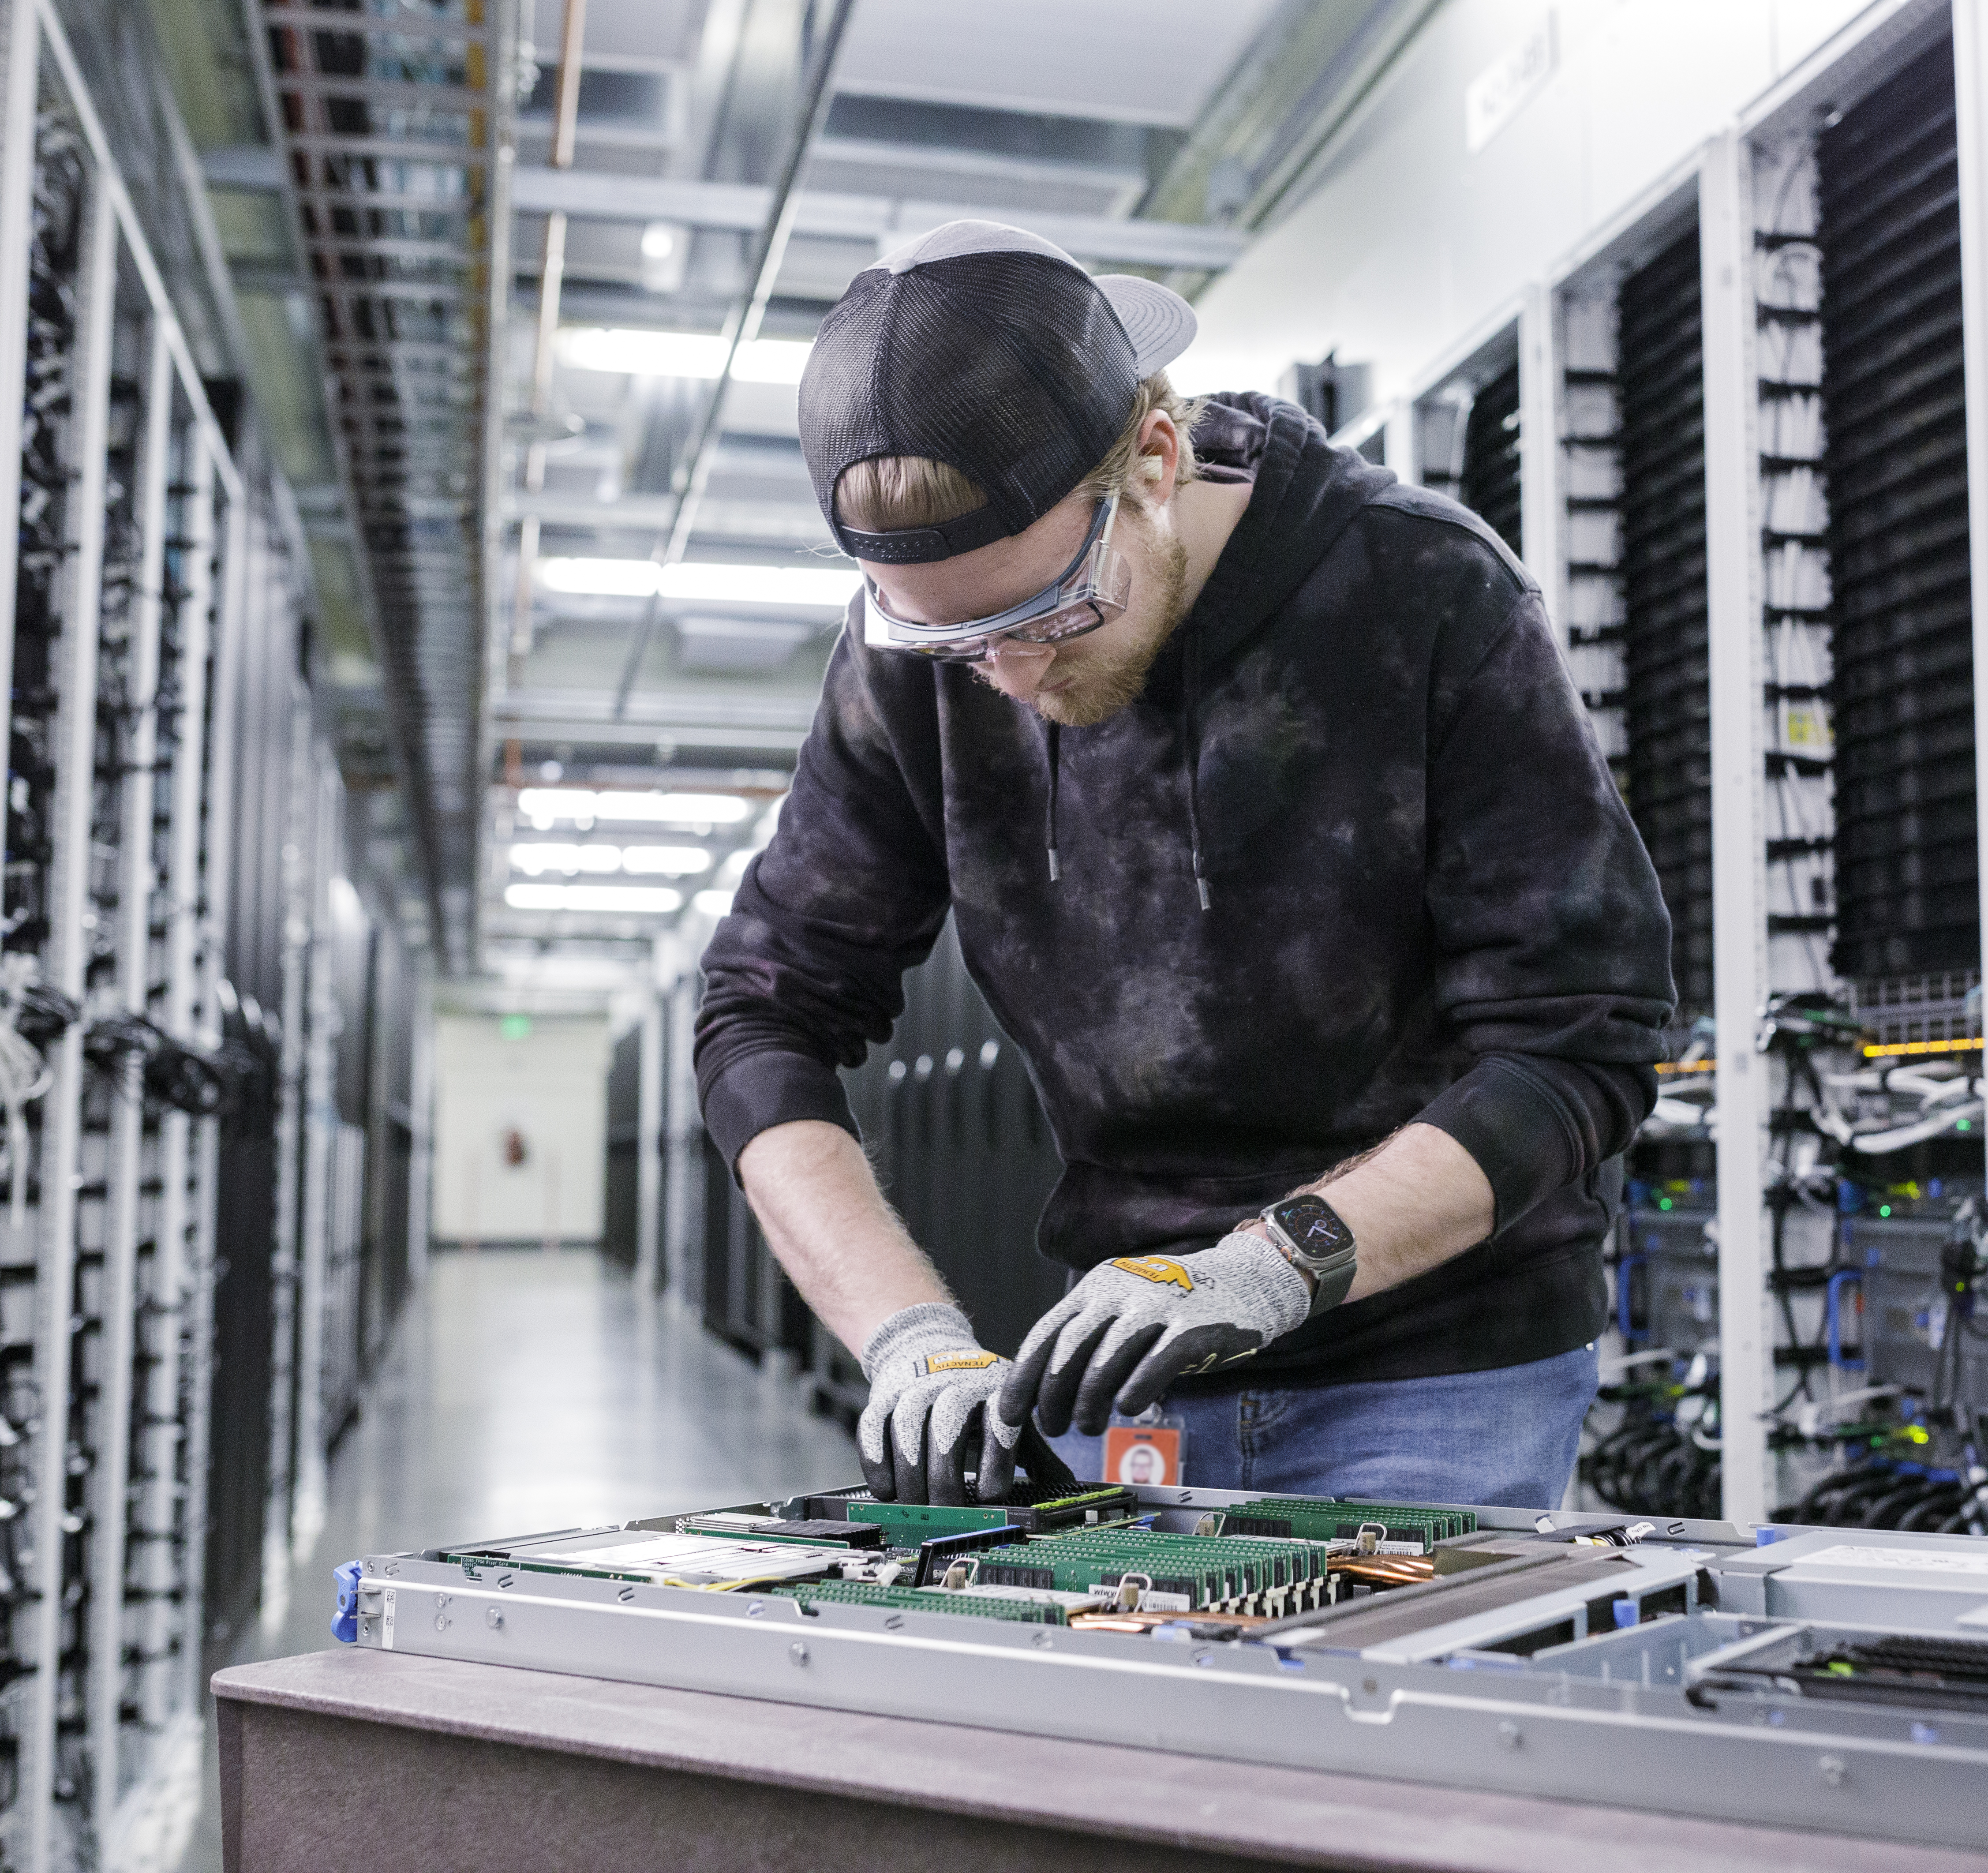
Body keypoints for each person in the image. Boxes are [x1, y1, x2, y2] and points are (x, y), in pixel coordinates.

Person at [693, 220, 1672, 1510]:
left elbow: (1580, 1047)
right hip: (1118, 1376)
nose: (1014, 674)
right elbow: (759, 1015)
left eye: (1053, 614)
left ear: (1155, 458)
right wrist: (909, 1340)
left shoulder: (1423, 594)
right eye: (957, 644)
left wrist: (1280, 1262)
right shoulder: (917, 666)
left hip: (1435, 1372)